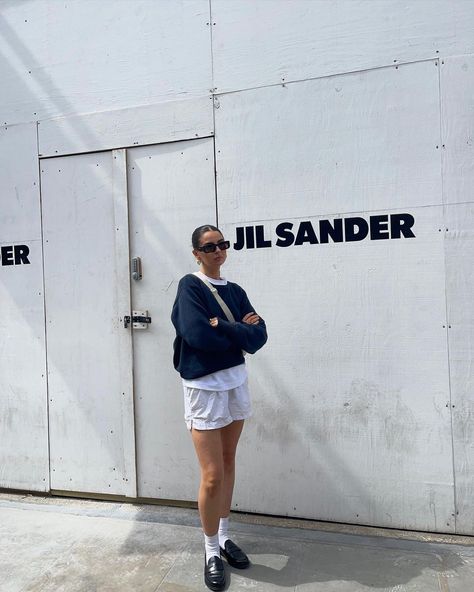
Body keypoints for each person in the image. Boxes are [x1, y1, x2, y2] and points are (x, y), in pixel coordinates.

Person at [171, 224, 268, 591]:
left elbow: (259, 338)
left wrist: (223, 326)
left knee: (228, 464)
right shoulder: (190, 287)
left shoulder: (236, 291)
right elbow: (197, 336)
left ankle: (224, 536)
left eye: (222, 245)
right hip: (204, 387)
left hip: (235, 383)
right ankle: (210, 548)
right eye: (209, 247)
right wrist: (237, 331)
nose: (217, 251)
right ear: (196, 252)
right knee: (212, 474)